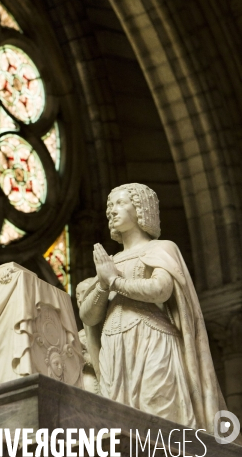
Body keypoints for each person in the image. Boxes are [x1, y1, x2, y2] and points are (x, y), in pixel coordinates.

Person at [79, 183, 226, 432]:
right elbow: (87, 315)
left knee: (160, 411)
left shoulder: (161, 248)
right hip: (115, 346)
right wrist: (104, 284)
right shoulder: (111, 261)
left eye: (120, 203)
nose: (111, 212)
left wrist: (115, 281)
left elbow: (161, 288)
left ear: (141, 209)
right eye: (109, 207)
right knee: (120, 423)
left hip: (153, 341)